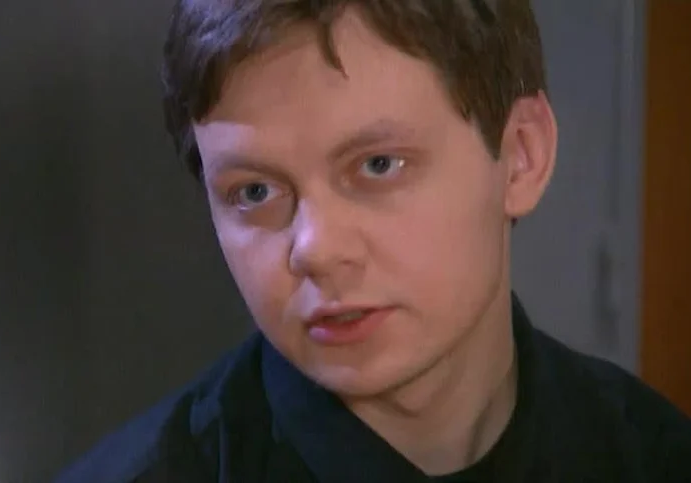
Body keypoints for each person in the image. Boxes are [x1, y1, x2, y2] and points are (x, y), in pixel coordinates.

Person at [56, 0, 691, 481]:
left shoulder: (654, 455)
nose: (315, 249)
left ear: (521, 157)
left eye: (378, 165)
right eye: (254, 191)